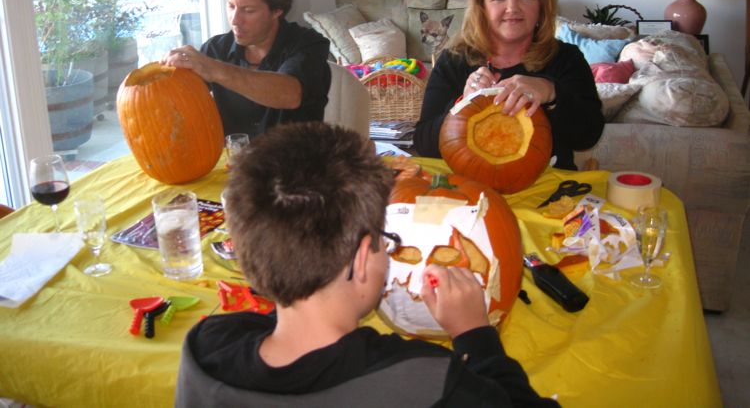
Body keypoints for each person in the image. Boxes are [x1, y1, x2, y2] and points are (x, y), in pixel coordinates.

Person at [175, 122, 560, 407]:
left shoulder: (207, 346)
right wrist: (476, 335)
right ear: (362, 258)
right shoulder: (427, 382)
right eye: (386, 242)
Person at [413, 0, 604, 170]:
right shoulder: (454, 60)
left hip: (550, 192)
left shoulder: (566, 58)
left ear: (542, 7)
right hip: (470, 189)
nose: (512, 8)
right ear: (482, 7)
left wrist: (552, 93)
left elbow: (588, 136)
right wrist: (462, 104)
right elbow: (424, 144)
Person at [162, 0, 331, 138]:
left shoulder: (309, 44)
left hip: (295, 165)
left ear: (277, 10)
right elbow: (181, 104)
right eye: (230, 6)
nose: (235, 19)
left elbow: (290, 94)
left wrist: (214, 70)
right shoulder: (216, 50)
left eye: (248, 10)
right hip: (233, 165)